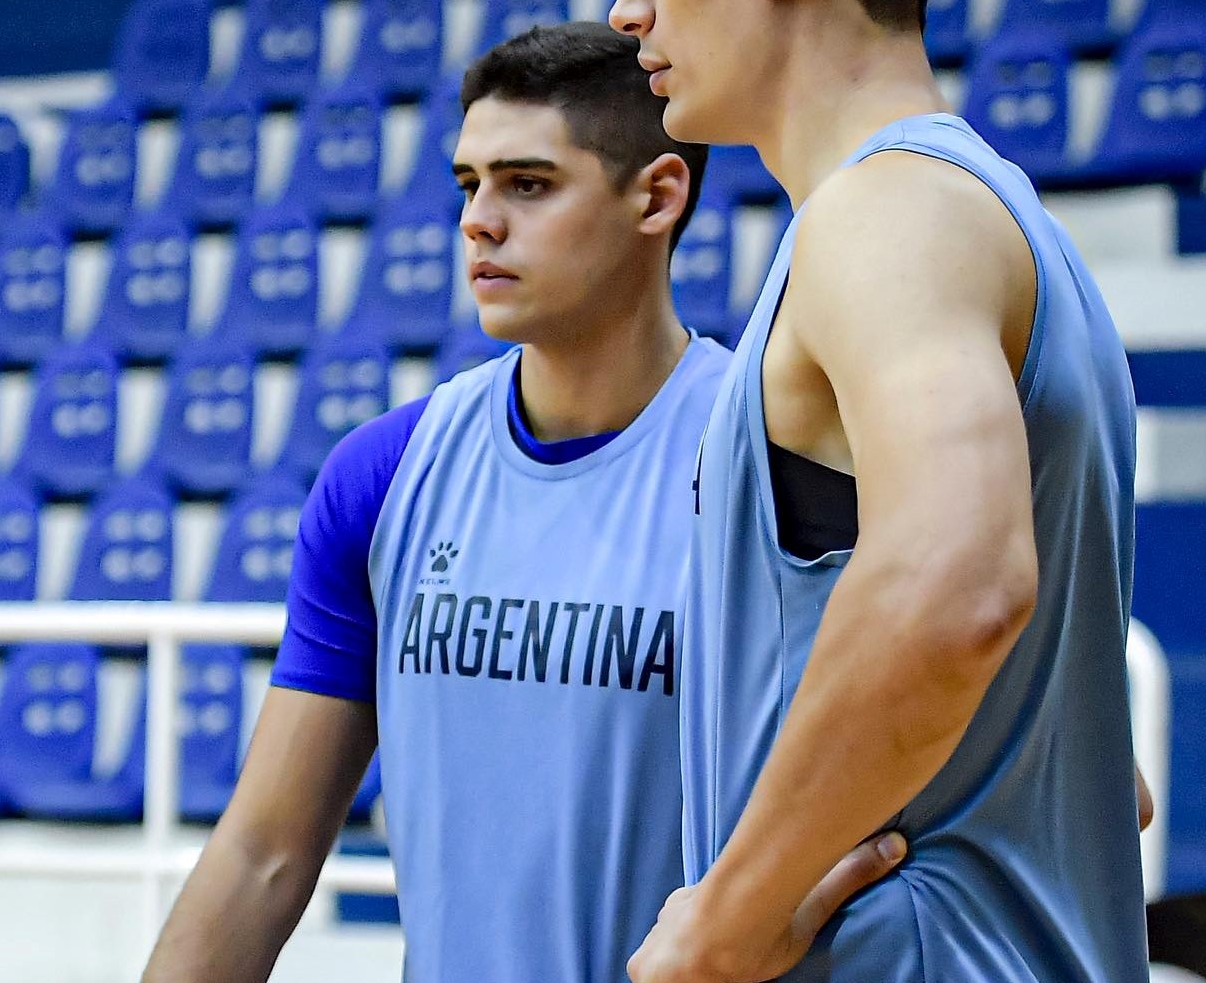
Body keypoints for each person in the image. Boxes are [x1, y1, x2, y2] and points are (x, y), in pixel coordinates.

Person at [140, 22, 904, 983]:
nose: (479, 221)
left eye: (528, 184)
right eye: (469, 184)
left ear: (656, 197)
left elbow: (1046, 763)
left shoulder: (783, 465)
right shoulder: (384, 473)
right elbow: (263, 854)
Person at [607, 1, 1150, 981]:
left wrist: (727, 917)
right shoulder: (989, 216)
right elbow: (1114, 775)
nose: (625, 12)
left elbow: (958, 584)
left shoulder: (888, 214)